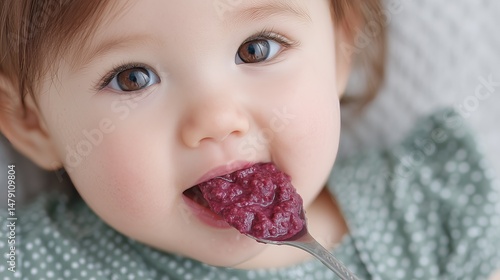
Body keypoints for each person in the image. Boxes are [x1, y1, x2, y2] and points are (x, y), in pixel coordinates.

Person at [0, 0, 498, 279]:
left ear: (340, 51)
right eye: (133, 78)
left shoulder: (432, 212)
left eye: (256, 49)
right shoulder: (32, 262)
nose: (217, 119)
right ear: (34, 125)